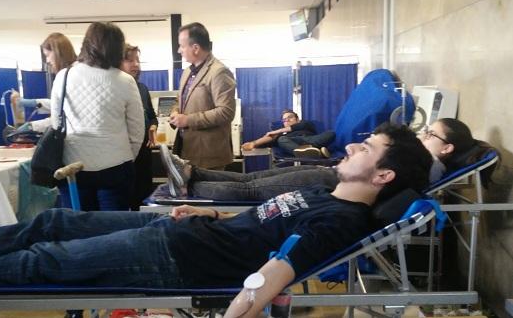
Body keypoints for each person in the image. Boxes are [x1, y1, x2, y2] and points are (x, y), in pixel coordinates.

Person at [0, 124, 432, 294]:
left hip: (176, 256)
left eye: (368, 148)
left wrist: (244, 305)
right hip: (184, 230)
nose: (354, 147)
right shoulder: (326, 193)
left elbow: (278, 270)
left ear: (384, 176)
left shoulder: (339, 218)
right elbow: (262, 223)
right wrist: (207, 214)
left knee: (45, 259)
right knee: (53, 220)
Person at [161, 118, 492, 201]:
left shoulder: (430, 165)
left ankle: (189, 186)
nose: (423, 135)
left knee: (253, 189)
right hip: (340, 177)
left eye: (430, 134)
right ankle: (191, 173)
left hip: (335, 183)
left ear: (447, 148)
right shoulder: (424, 157)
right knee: (252, 182)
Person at [52, 22, 144, 211]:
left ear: (87, 44)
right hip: (116, 166)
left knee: (79, 228)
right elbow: (137, 131)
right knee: (114, 229)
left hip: (73, 167)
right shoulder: (125, 81)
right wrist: (126, 156)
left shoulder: (64, 76)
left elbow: (56, 123)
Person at [170, 22, 236, 170]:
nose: (179, 50)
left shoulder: (219, 72)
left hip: (209, 155)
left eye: (182, 45)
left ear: (195, 48)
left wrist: (188, 120)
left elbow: (226, 112)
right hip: (186, 150)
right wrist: (175, 111)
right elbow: (181, 100)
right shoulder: (187, 72)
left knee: (208, 193)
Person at [120, 43, 159, 210]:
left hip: (143, 153)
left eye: (137, 60)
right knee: (123, 201)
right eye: (130, 60)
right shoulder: (116, 88)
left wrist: (152, 127)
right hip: (124, 154)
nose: (135, 64)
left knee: (142, 199)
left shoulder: (142, 88)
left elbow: (151, 116)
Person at [12, 32, 77, 132]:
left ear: (57, 52)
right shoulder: (70, 73)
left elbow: (60, 117)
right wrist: (33, 103)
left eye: (48, 55)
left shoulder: (69, 76)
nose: (47, 60)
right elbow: (61, 105)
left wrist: (32, 126)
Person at [241, 109, 335, 158]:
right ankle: (310, 152)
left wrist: (278, 130)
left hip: (311, 139)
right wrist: (253, 143)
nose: (287, 120)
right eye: (284, 120)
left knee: (331, 133)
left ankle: (311, 151)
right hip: (293, 143)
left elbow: (299, 126)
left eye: (290, 117)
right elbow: (269, 139)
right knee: (281, 139)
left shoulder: (305, 124)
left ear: (298, 119)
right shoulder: (283, 135)